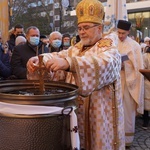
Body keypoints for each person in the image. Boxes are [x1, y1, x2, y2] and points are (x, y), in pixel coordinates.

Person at [27, 0, 125, 149]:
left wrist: (70, 64)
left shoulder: (109, 48)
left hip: (99, 117)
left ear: (99, 28)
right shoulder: (76, 48)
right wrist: (40, 61)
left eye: (86, 27)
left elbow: (105, 63)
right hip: (76, 113)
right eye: (79, 28)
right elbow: (60, 55)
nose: (81, 32)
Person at [117, 20, 144, 147]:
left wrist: (125, 66)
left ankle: (127, 140)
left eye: (123, 33)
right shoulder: (112, 43)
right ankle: (115, 137)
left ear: (128, 32)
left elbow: (138, 68)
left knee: (127, 110)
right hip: (115, 82)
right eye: (118, 32)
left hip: (128, 83)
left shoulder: (135, 46)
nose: (120, 36)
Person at [142, 46, 150, 130]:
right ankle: (145, 120)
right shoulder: (146, 56)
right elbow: (142, 67)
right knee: (147, 103)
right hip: (148, 81)